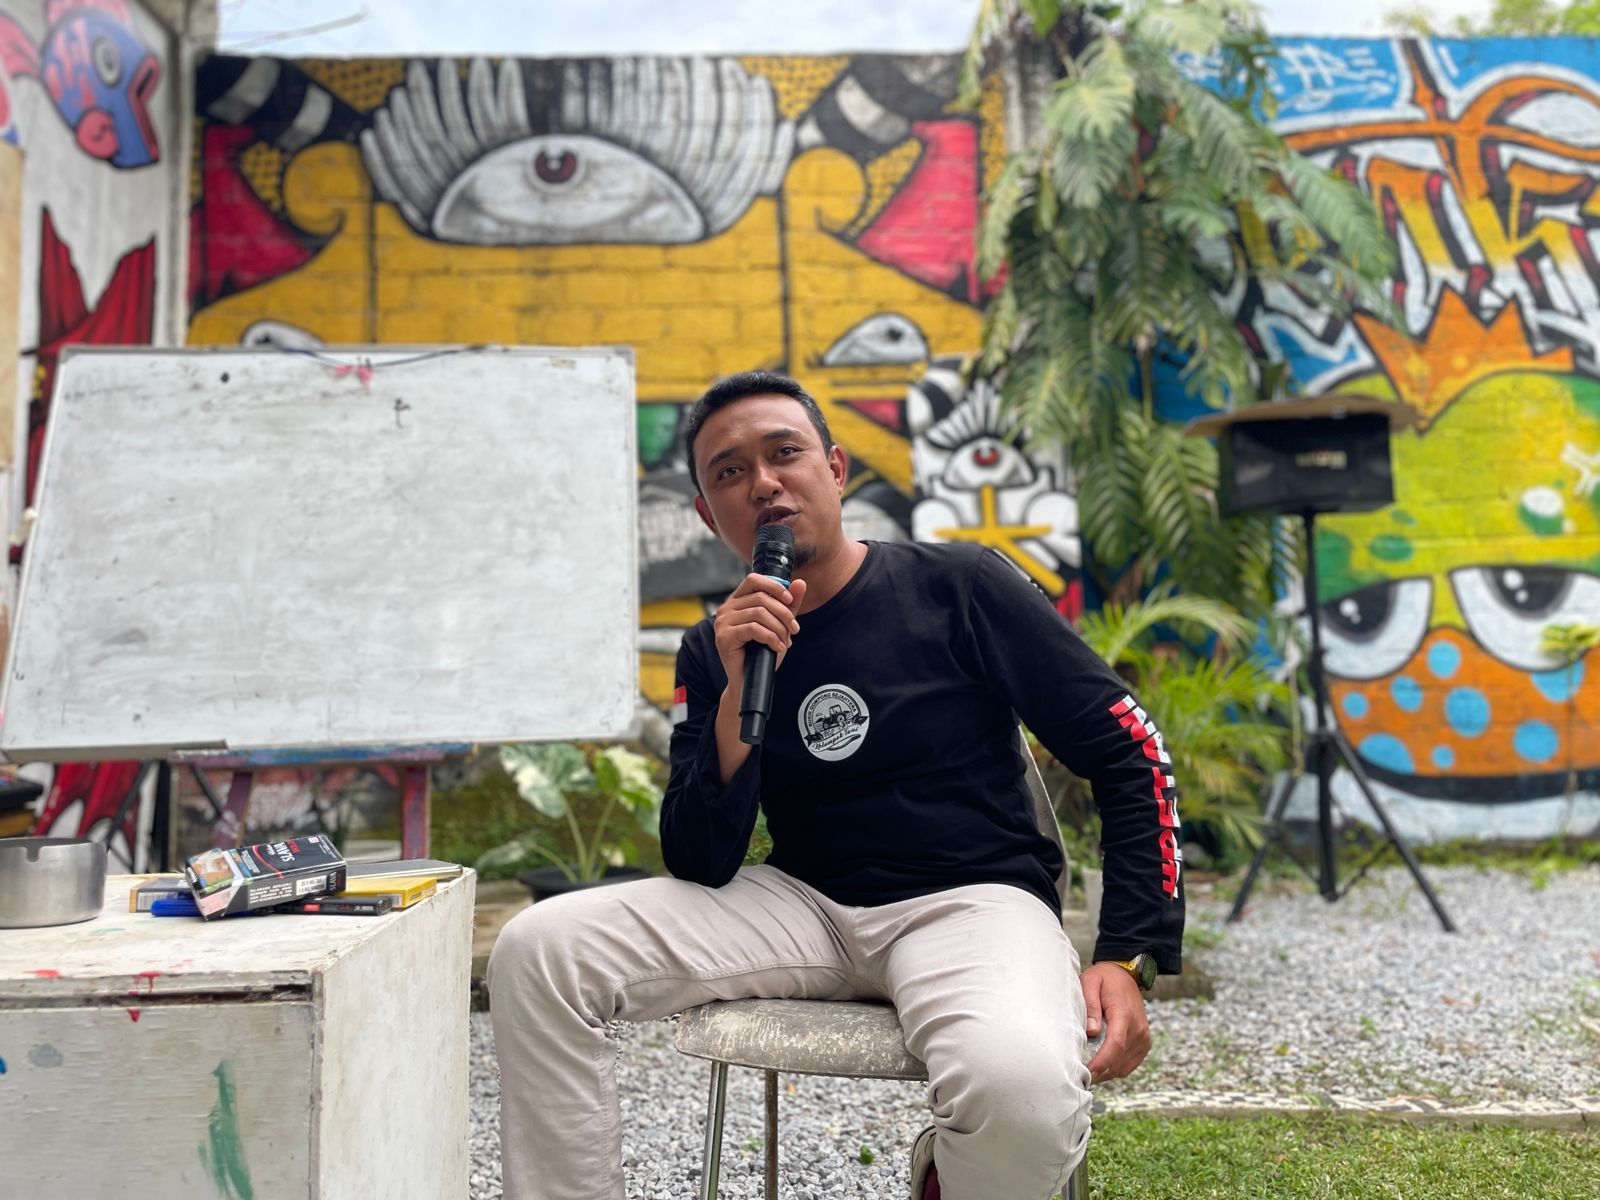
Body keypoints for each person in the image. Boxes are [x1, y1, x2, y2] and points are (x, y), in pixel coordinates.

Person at [487, 371, 1184, 1200]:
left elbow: (1130, 750)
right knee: (540, 949)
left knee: (1022, 1093)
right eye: (730, 472)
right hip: (803, 903)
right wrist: (735, 694)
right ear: (709, 515)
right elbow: (698, 859)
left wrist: (1127, 952)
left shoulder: (960, 586)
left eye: (784, 453)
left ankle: (953, 1173)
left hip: (970, 901)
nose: (763, 483)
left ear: (836, 468)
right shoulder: (713, 648)